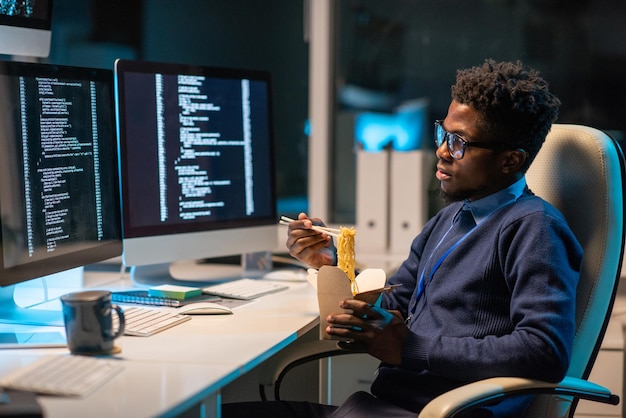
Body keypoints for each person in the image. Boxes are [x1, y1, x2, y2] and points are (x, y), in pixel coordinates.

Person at [222, 59, 582, 417]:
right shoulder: (450, 219)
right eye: (444, 133)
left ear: (510, 161)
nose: (442, 150)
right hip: (379, 408)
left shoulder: (535, 228)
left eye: (459, 143)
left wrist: (411, 348)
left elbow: (544, 351)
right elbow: (392, 307)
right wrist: (330, 266)